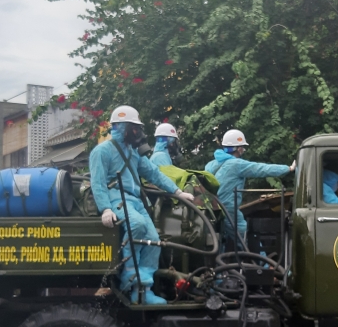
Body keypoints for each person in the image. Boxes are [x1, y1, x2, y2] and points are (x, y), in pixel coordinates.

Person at [89, 106, 196, 305]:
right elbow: (98, 182)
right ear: (121, 126)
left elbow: (153, 173)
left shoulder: (133, 153)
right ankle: (129, 283)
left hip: (135, 200)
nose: (138, 132)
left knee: (153, 240)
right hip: (116, 198)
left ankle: (143, 290)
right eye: (134, 128)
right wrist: (105, 208)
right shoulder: (102, 151)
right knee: (136, 225)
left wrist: (177, 192)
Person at [206, 129, 295, 250]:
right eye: (242, 147)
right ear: (238, 148)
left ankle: (219, 268)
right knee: (245, 237)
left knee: (219, 239)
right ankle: (263, 265)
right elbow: (261, 169)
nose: (243, 149)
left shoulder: (211, 164)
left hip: (212, 209)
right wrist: (288, 168)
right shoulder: (236, 164)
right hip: (229, 210)